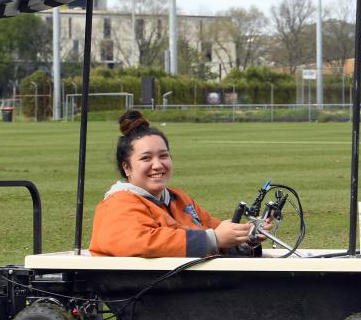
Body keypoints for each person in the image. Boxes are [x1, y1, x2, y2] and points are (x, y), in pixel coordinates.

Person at [90, 110, 255, 257]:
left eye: (163, 156)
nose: (158, 165)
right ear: (127, 168)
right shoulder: (118, 204)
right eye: (146, 158)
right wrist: (215, 238)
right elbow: (140, 242)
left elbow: (217, 232)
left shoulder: (179, 198)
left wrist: (246, 237)